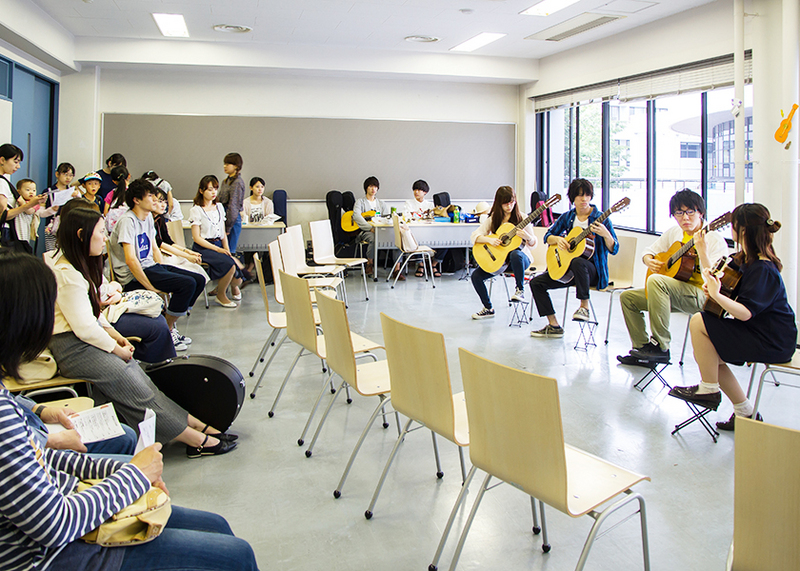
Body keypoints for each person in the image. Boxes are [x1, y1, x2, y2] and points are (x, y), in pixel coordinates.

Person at [0, 252, 257, 571]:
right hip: (51, 555)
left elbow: (32, 457)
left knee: (216, 526)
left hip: (61, 515)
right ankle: (192, 434)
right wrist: (135, 476)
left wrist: (115, 471)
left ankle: (191, 429)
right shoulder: (3, 418)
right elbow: (55, 524)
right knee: (237, 555)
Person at [46, 206, 237, 455]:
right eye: (101, 233)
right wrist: (117, 348)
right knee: (134, 389)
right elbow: (84, 328)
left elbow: (93, 319)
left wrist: (117, 340)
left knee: (142, 383)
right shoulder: (67, 275)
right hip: (73, 349)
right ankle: (194, 438)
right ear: (82, 235)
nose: (105, 238)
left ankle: (194, 424)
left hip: (86, 343)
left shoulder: (77, 267)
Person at [668, 203, 797, 431]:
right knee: (710, 352)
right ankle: (744, 412)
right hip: (756, 330)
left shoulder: (763, 269)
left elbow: (746, 313)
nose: (731, 230)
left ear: (743, 231)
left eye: (734, 226)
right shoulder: (743, 259)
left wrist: (717, 295)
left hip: (772, 339)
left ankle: (709, 389)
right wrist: (704, 256)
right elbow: (718, 280)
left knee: (700, 322)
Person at [617, 189, 728, 366]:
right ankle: (642, 349)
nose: (685, 218)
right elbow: (649, 251)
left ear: (701, 213)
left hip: (702, 297)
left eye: (690, 212)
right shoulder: (674, 233)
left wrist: (703, 252)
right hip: (674, 293)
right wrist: (649, 261)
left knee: (656, 281)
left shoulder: (714, 239)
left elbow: (717, 280)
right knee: (627, 297)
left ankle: (661, 347)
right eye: (679, 213)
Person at [108, 179, 205, 349]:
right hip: (133, 275)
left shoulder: (147, 219)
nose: (155, 200)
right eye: (150, 196)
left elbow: (154, 249)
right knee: (187, 284)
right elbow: (131, 260)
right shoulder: (128, 222)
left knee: (198, 279)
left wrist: (166, 271)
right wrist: (150, 287)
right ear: (136, 200)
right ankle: (166, 331)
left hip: (150, 267)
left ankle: (169, 323)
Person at [529, 178, 618, 338]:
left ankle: (584, 307)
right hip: (569, 272)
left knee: (579, 261)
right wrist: (558, 240)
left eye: (587, 195)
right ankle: (553, 325)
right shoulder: (567, 217)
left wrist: (606, 235)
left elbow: (614, 248)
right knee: (536, 283)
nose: (583, 199)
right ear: (572, 198)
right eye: (579, 196)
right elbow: (548, 236)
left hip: (593, 272)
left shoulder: (601, 218)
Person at [469, 186, 536, 320]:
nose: (509, 206)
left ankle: (520, 290)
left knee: (515, 254)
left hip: (521, 260)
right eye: (505, 203)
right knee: (476, 276)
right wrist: (490, 240)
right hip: (502, 261)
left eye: (512, 202)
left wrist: (527, 237)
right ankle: (488, 308)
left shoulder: (522, 217)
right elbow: (474, 235)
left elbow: (534, 244)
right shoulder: (495, 218)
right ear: (499, 203)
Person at [189, 175, 244, 307]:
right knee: (230, 265)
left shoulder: (219, 207)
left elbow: (223, 231)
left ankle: (228, 287)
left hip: (219, 244)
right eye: (209, 189)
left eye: (215, 189)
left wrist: (225, 248)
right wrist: (218, 249)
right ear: (201, 191)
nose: (213, 192)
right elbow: (197, 238)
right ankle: (221, 295)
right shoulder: (196, 210)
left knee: (239, 275)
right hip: (204, 248)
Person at [151, 186, 210, 286]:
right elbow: (159, 244)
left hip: (165, 253)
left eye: (165, 202)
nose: (164, 205)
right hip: (156, 257)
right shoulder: (147, 221)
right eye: (160, 201)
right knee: (188, 273)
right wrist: (186, 255)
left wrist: (187, 251)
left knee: (196, 270)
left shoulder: (160, 218)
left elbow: (168, 241)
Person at [0, 144, 45, 245]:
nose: (18, 166)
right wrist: (29, 205)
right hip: (5, 232)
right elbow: (3, 215)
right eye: (15, 162)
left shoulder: (4, 181)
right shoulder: (1, 183)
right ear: (2, 160)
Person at [403, 179, 445, 277]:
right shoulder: (408, 203)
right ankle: (420, 265)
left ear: (425, 192)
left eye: (419, 190)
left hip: (430, 232)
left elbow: (433, 218)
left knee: (445, 241)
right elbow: (407, 216)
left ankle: (434, 265)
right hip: (415, 233)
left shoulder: (430, 205)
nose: (416, 192)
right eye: (415, 190)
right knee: (417, 240)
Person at [353, 175, 388, 277]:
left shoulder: (381, 203)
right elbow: (357, 216)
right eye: (371, 186)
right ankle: (370, 263)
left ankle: (396, 268)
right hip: (366, 231)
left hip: (380, 230)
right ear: (366, 188)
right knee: (373, 238)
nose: (373, 189)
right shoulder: (360, 202)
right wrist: (370, 228)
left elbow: (386, 217)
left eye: (375, 187)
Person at [43, 162, 80, 252]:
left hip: (67, 225)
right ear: (57, 174)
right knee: (51, 252)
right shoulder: (49, 191)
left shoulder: (72, 191)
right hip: (52, 226)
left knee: (67, 251)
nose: (68, 178)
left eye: (71, 175)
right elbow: (42, 211)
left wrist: (77, 195)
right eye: (65, 174)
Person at [242, 176, 274, 276]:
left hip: (263, 231)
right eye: (257, 187)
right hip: (249, 231)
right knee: (249, 244)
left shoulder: (268, 202)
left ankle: (248, 271)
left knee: (257, 243)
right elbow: (244, 218)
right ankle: (249, 270)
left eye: (262, 187)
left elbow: (270, 218)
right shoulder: (245, 202)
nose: (260, 189)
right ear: (251, 188)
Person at [217, 152, 246, 255]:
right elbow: (219, 199)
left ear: (236, 166)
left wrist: (228, 227)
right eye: (224, 163)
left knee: (229, 252)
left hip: (232, 220)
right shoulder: (226, 181)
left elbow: (233, 206)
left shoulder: (237, 182)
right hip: (223, 216)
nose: (225, 166)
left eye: (228, 164)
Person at [104, 165, 131, 232]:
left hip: (113, 230)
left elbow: (105, 212)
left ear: (113, 181)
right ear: (129, 176)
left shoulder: (112, 193)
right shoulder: (133, 192)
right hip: (128, 227)